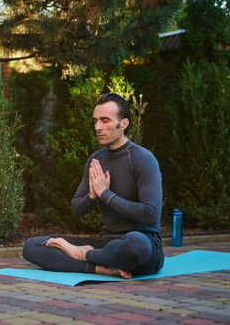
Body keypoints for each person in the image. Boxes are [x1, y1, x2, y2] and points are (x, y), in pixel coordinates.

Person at [22, 93, 164, 279]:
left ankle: (84, 255)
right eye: (95, 121)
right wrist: (91, 196)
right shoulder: (97, 160)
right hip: (106, 242)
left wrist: (105, 193)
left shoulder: (143, 159)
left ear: (123, 124)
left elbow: (150, 214)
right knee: (33, 246)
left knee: (135, 245)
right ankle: (100, 268)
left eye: (105, 120)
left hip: (143, 244)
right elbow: (77, 209)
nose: (98, 127)